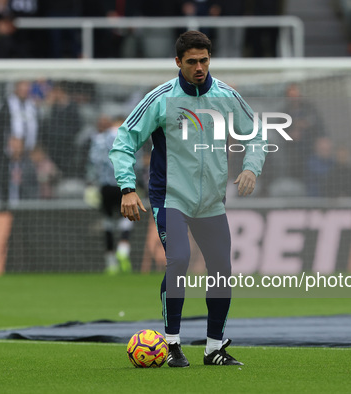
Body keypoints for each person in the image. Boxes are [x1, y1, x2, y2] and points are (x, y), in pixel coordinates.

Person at [109, 31, 266, 367]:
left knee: (222, 270)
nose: (199, 67)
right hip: (171, 198)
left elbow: (256, 132)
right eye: (192, 61)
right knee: (178, 262)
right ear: (178, 62)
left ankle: (213, 349)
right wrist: (126, 187)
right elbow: (123, 140)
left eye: (204, 60)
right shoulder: (160, 99)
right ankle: (172, 344)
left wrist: (252, 167)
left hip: (211, 202)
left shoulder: (225, 96)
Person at [87, 116, 134, 275]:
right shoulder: (126, 135)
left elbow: (92, 161)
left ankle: (110, 263)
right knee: (127, 218)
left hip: (104, 186)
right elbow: (134, 159)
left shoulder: (98, 139)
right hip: (122, 186)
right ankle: (123, 247)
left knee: (107, 222)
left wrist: (92, 183)